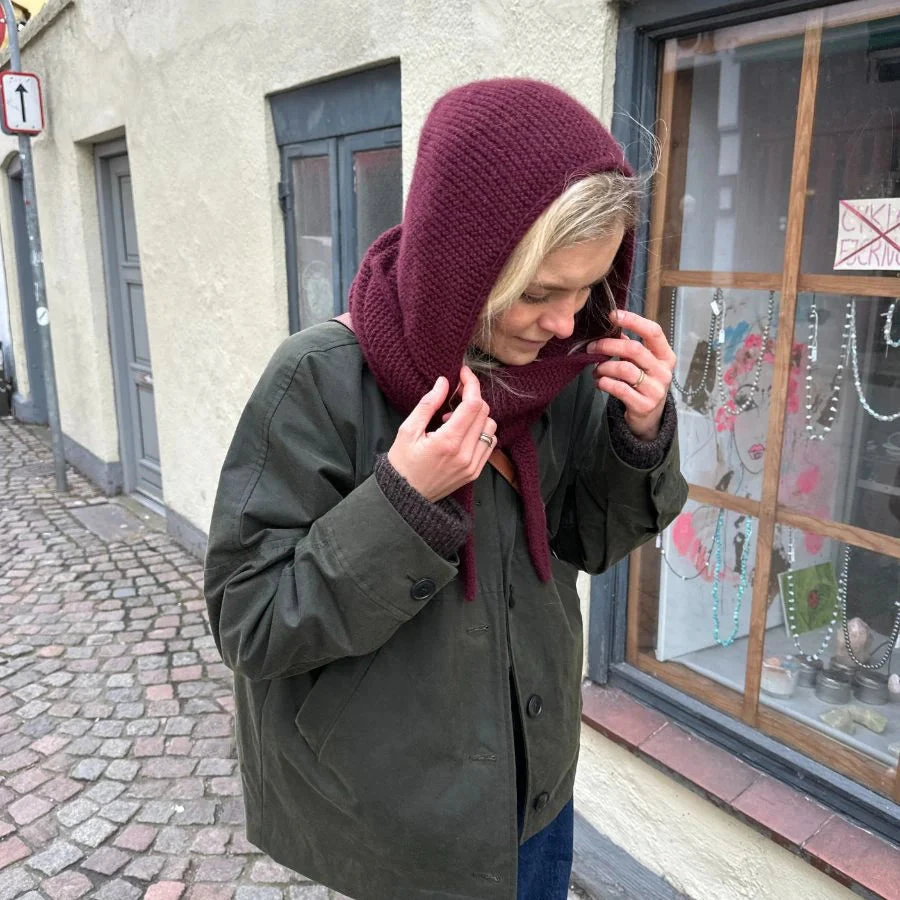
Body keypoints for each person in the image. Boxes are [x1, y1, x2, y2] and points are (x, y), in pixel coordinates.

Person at [204, 78, 688, 900]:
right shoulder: (321, 379)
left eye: (589, 288)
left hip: (536, 796)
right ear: (468, 264)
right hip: (394, 826)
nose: (566, 322)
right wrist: (400, 502)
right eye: (540, 292)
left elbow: (589, 542)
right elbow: (250, 622)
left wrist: (639, 438)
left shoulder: (561, 369)